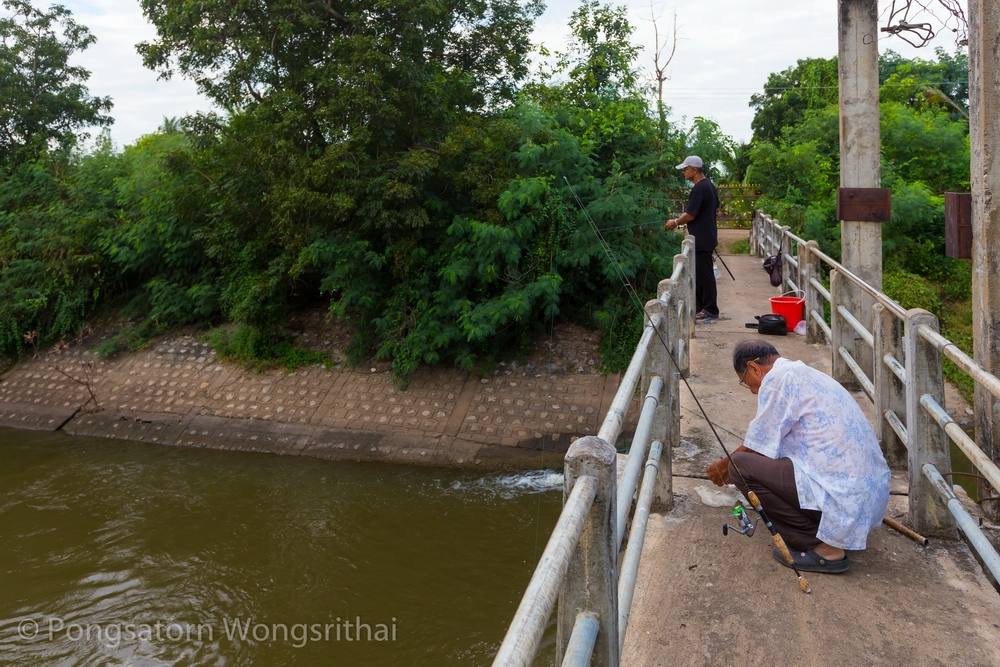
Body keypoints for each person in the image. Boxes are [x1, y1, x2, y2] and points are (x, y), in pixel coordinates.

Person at [705, 340, 890, 574]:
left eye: (746, 382)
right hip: (867, 500)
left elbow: (756, 447)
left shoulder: (777, 380)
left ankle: (823, 548)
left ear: (753, 368)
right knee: (761, 463)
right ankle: (830, 531)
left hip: (845, 497)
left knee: (739, 467)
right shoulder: (806, 374)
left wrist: (723, 467)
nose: (752, 390)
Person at [664, 155, 720, 322]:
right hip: (707, 235)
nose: (684, 172)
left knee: (705, 275)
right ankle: (704, 307)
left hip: (702, 238)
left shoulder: (699, 188)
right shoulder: (709, 185)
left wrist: (674, 222)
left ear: (694, 170)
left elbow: (690, 214)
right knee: (702, 273)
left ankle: (710, 309)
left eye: (686, 169)